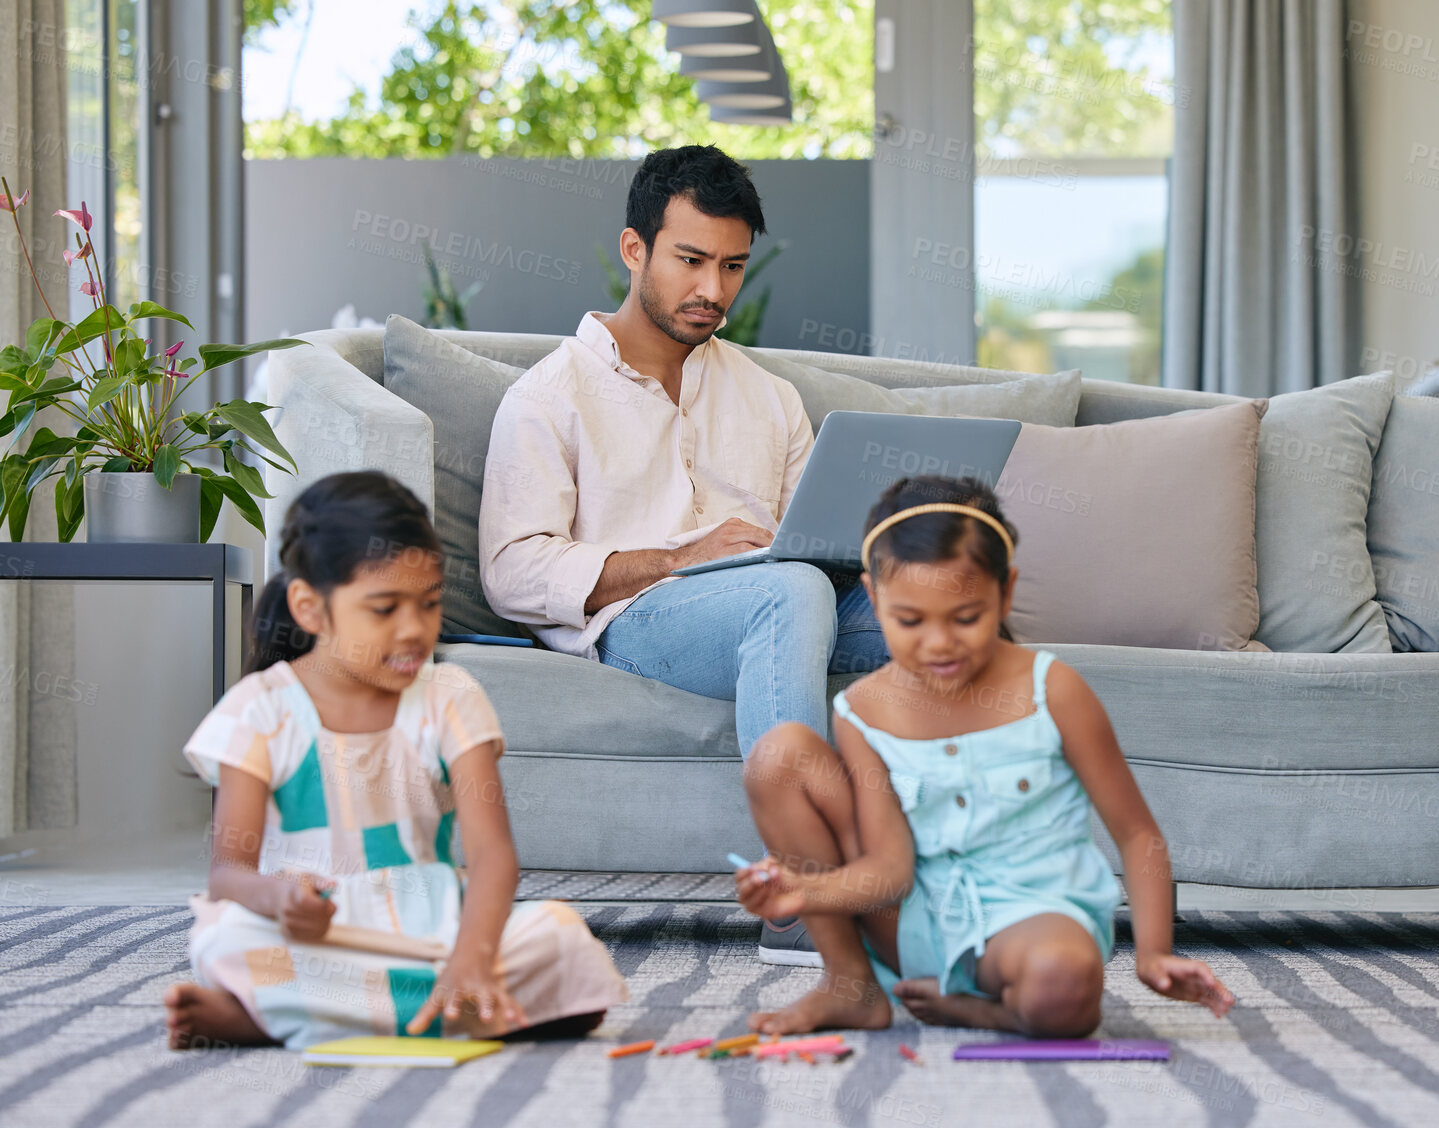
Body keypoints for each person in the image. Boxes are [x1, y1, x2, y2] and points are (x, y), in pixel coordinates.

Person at [479, 144, 888, 964]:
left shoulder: (770, 397)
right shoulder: (547, 397)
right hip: (640, 619)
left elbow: (819, 537)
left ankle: (971, 879)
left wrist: (884, 557)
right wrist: (679, 558)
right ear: (636, 250)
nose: (712, 290)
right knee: (792, 594)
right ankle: (799, 893)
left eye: (732, 266)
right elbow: (511, 571)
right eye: (690, 260)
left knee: (936, 605)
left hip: (778, 599)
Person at [732, 476, 1237, 1035]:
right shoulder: (862, 709)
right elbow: (890, 871)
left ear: (1005, 591)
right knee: (779, 753)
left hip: (1033, 923)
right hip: (912, 925)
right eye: (910, 620)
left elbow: (1138, 834)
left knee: (1063, 987)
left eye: (965, 618)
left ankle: (986, 1009)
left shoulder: (1053, 689)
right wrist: (805, 890)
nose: (939, 643)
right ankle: (850, 988)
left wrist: (1152, 953)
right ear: (874, 600)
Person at [164, 471, 628, 1050]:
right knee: (229, 940)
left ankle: (267, 1019)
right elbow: (228, 874)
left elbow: (492, 858)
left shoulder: (451, 696)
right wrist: (278, 899)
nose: (414, 630)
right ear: (310, 608)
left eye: (429, 604)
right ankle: (439, 1013)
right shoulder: (260, 709)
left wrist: (472, 957)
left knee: (561, 941)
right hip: (318, 939)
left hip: (434, 929)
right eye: (384, 609)